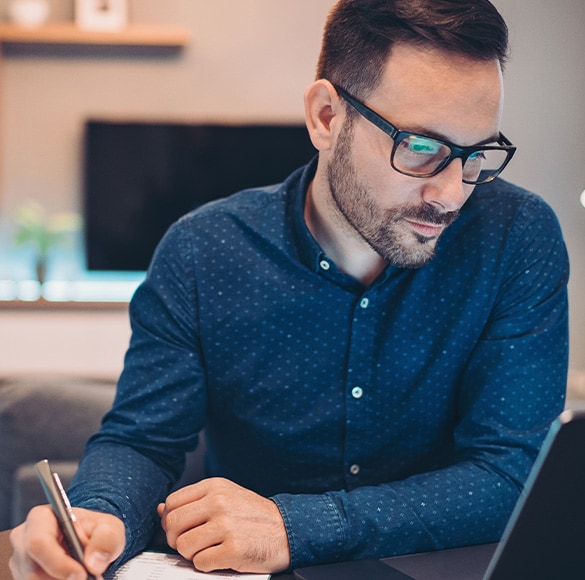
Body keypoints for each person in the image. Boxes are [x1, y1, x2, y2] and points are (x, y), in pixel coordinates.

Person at [10, 0, 569, 577]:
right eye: (422, 148)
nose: (453, 194)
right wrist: (97, 516)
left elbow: (512, 472)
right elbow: (142, 440)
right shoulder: (203, 251)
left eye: (478, 154)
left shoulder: (517, 239)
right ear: (327, 116)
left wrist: (296, 526)